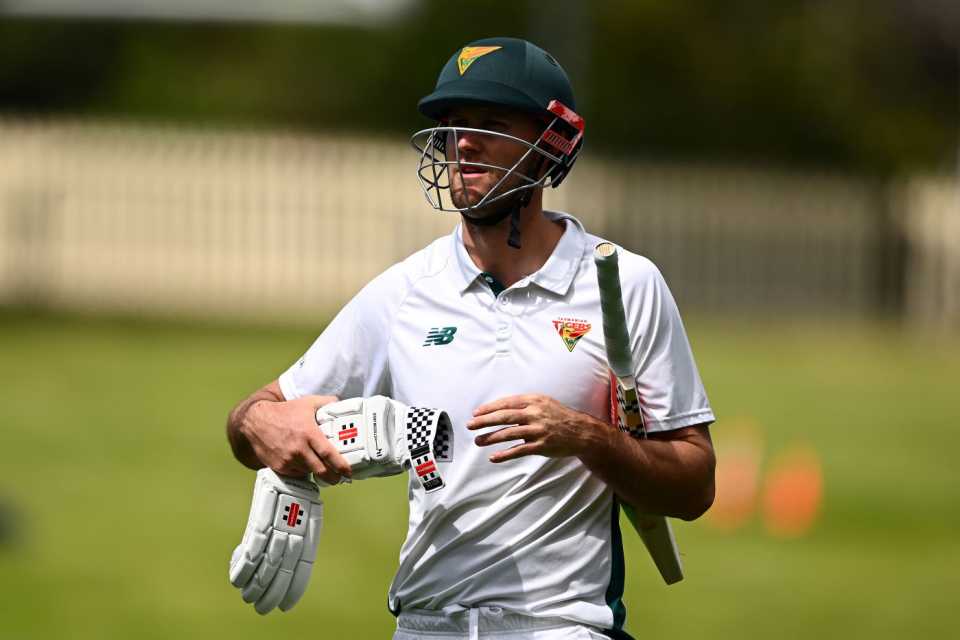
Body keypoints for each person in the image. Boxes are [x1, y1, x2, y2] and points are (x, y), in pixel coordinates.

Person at [226, 37, 716, 640]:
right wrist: (263, 427)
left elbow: (695, 485)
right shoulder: (404, 291)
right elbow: (254, 415)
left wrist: (589, 438)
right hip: (427, 625)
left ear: (549, 146)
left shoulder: (623, 285)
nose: (462, 142)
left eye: (490, 124)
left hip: (561, 626)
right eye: (453, 125)